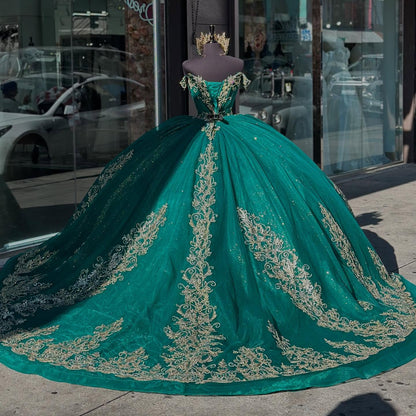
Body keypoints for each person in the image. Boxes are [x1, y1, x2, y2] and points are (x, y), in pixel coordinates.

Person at [0, 29, 416, 396]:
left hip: (226, 140)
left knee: (251, 219)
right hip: (219, 138)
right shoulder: (209, 65)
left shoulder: (216, 65)